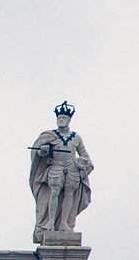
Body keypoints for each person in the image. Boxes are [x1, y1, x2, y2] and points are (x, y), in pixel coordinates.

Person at [29, 101, 93, 243]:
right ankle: (51, 222)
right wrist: (43, 151)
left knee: (69, 194)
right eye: (59, 118)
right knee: (54, 193)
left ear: (69, 120)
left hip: (72, 169)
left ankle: (64, 223)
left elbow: (85, 155)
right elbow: (40, 151)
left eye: (64, 118)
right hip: (56, 167)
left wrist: (83, 162)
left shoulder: (76, 137)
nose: (61, 120)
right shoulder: (50, 135)